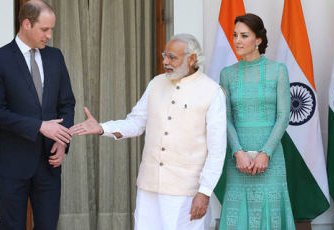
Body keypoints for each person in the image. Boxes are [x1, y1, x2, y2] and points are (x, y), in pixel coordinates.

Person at [71, 34, 227, 230]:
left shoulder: (212, 92)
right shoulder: (156, 83)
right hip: (149, 187)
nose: (165, 62)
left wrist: (204, 193)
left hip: (186, 192)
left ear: (192, 59)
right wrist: (103, 128)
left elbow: (217, 149)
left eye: (172, 57)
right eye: (164, 56)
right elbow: (136, 122)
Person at [0, 1, 75, 229]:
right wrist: (39, 126)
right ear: (26, 24)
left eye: (51, 29)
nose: (50, 35)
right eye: (45, 29)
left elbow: (67, 104)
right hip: (13, 163)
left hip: (49, 163)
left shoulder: (56, 57)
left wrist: (63, 141)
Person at [218, 13, 295, 229]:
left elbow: (283, 116)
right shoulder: (227, 74)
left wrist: (265, 153)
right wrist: (238, 153)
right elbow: (225, 118)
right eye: (235, 35)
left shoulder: (278, 70)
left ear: (258, 40)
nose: (237, 41)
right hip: (238, 158)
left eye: (244, 35)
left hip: (270, 158)